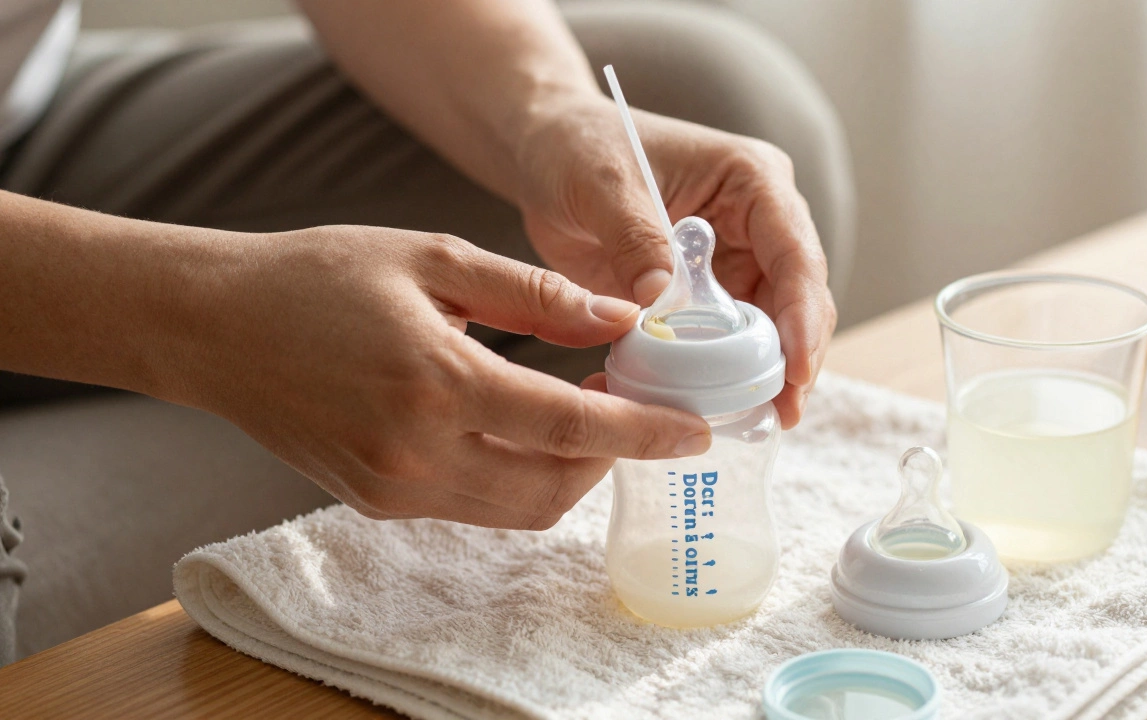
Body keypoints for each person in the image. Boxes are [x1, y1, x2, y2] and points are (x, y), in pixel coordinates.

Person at [0, 0, 839, 663]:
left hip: (28, 123)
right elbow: (202, 313)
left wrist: (548, 116)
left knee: (718, 116)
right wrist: (205, 321)